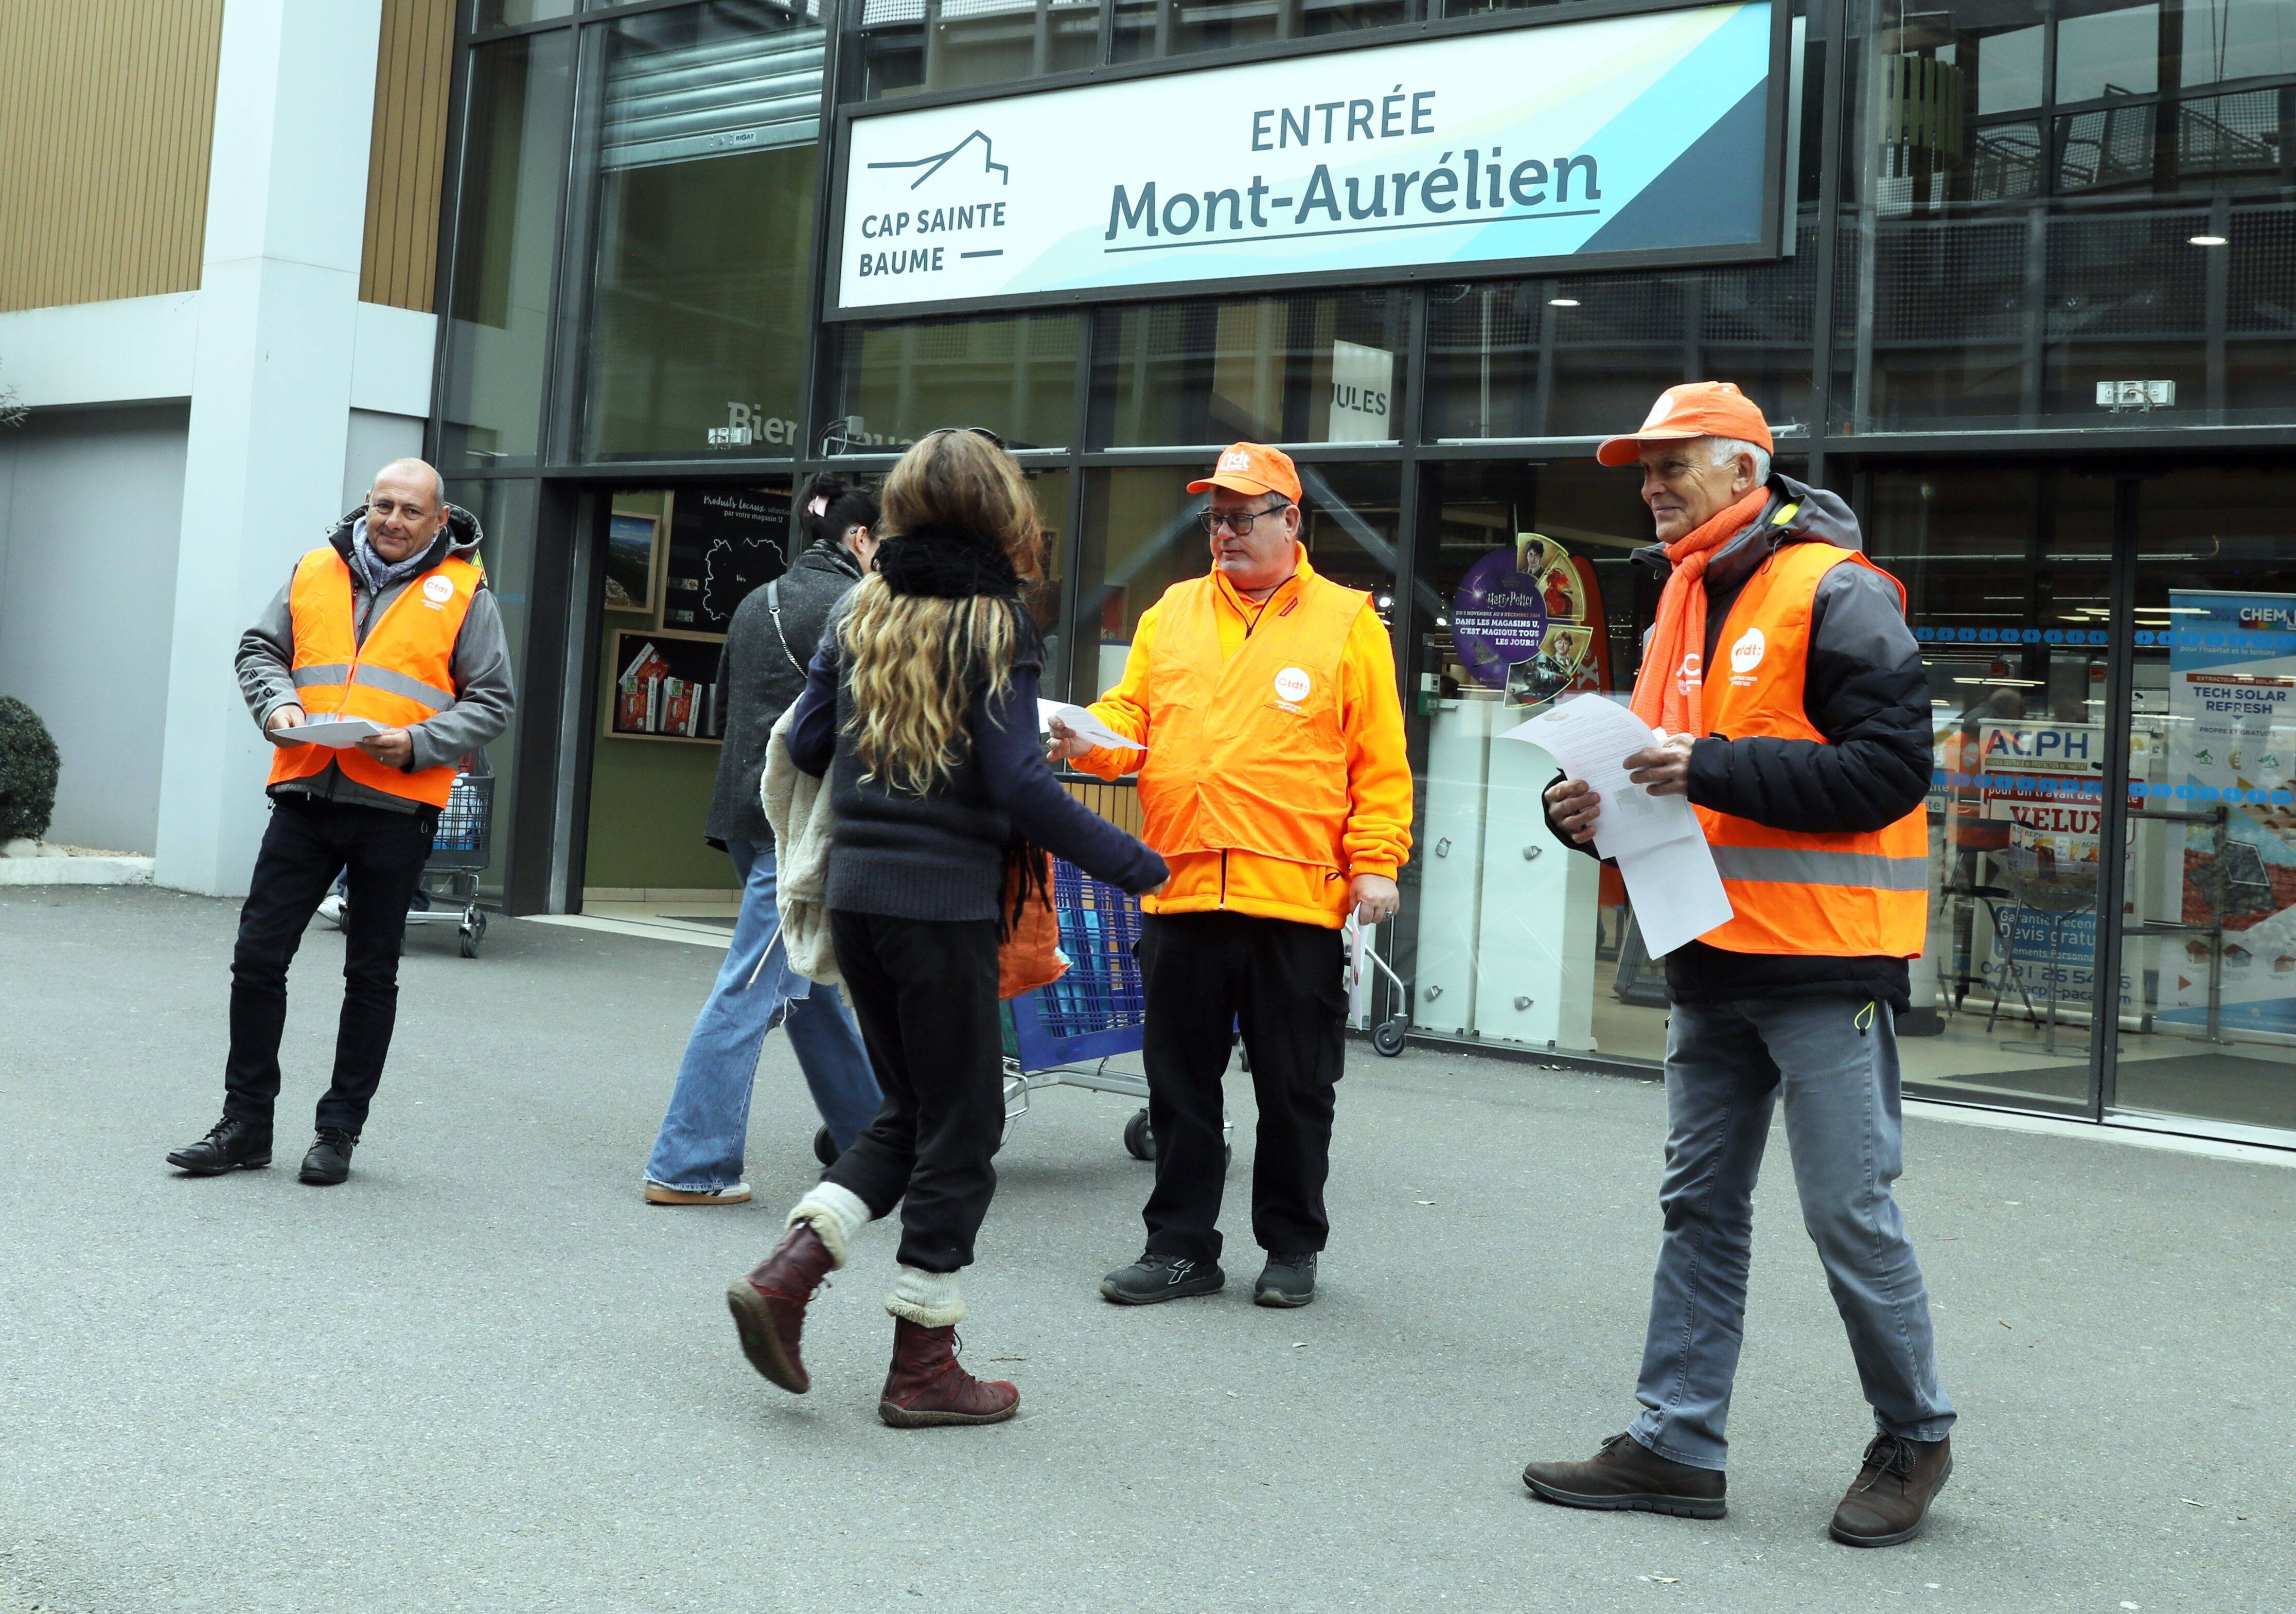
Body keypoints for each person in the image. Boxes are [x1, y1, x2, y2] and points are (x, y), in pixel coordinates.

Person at [1518, 383, 1954, 1547]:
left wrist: (1701, 768)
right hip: (1706, 959)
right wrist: (1582, 808)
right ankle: (1674, 1445)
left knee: (1846, 1214)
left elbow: (1885, 775)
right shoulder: (1677, 603)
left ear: (1742, 467)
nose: (1651, 486)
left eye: (1672, 465)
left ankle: (1914, 1436)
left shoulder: (1835, 589)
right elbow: (1661, 778)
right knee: (1696, 1209)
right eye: (1642, 470)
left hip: (1821, 965)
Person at [725, 428, 1167, 1428]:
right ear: (1000, 512)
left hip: (859, 899)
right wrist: (1136, 864)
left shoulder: (862, 609)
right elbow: (1014, 786)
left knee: (912, 1113)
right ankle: (922, 1368)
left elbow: (804, 737)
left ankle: (788, 1274)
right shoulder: (995, 625)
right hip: (944, 908)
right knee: (964, 1131)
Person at [1048, 442, 1413, 1310]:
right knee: (1178, 1086)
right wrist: (1085, 732)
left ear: (1291, 521)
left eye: (1242, 517)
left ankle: (1290, 1246)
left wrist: (1375, 863)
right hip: (1180, 889)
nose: (1224, 534)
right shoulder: (1170, 613)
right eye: (1214, 518)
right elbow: (1131, 719)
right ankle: (1179, 1247)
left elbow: (1380, 760)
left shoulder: (1347, 620)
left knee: (1294, 1089)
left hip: (1293, 897)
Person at [167, 459, 515, 1186]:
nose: (393, 520)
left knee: (370, 973)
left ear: (439, 521)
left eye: (410, 511)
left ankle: (338, 1131)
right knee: (258, 958)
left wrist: (418, 744)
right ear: (365, 504)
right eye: (382, 504)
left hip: (396, 808)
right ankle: (246, 1123)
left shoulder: (465, 593)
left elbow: (492, 701)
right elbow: (260, 649)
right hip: (304, 794)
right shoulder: (314, 568)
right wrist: (278, 708)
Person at [640, 476, 884, 1205]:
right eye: (885, 544)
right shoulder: (854, 605)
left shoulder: (756, 598)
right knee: (750, 989)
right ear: (859, 540)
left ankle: (872, 1143)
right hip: (797, 828)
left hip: (745, 817)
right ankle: (690, 1165)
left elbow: (729, 702)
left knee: (804, 993)